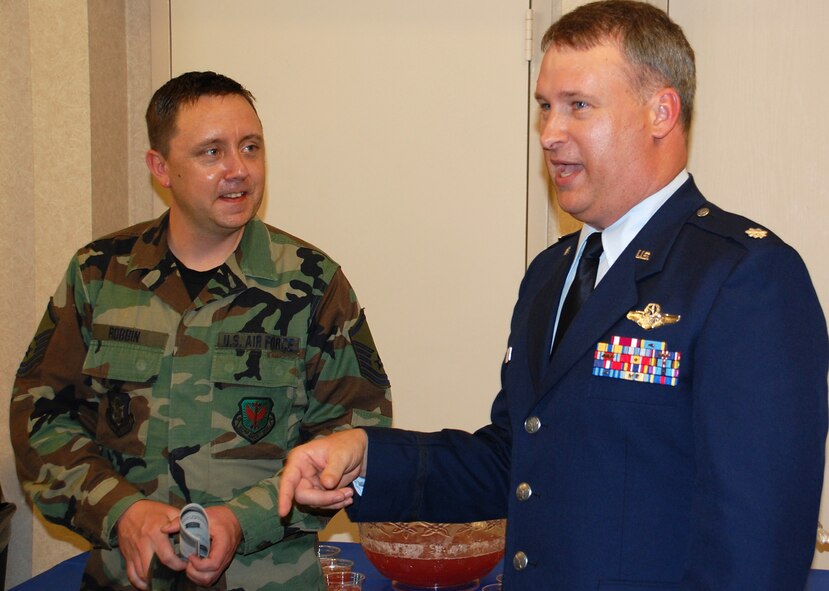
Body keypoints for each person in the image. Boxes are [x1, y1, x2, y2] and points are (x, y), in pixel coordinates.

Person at [277, 2, 828, 589]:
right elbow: (514, 457)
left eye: (579, 107)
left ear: (660, 112)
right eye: (545, 107)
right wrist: (366, 457)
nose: (549, 134)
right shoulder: (551, 273)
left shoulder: (744, 276)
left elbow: (754, 552)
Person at [10, 71, 392, 591]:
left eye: (250, 147)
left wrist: (242, 521)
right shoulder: (99, 275)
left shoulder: (312, 283)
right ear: (160, 167)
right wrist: (122, 512)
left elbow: (357, 435)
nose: (239, 170)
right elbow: (41, 421)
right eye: (211, 153)